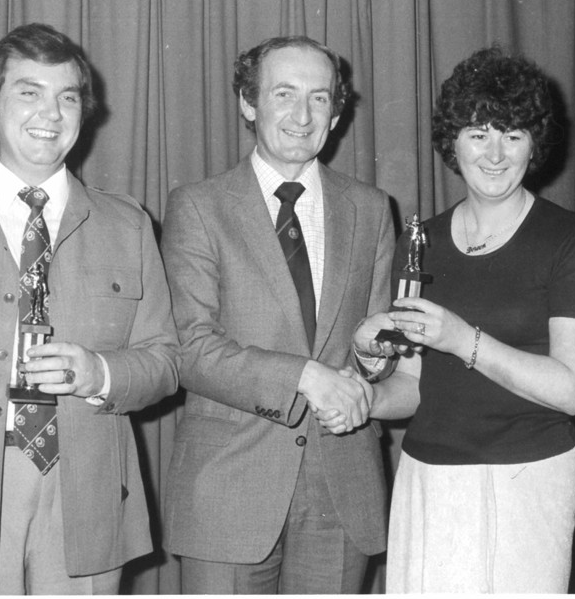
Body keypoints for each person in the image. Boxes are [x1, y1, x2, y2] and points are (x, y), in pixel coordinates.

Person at [0, 23, 180, 595]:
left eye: (67, 97)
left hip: (86, 492)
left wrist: (98, 372)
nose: (50, 114)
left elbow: (167, 360)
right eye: (28, 93)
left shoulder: (128, 225)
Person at [161, 35, 408, 593]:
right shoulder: (198, 207)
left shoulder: (370, 208)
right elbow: (190, 348)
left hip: (341, 487)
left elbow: (379, 349)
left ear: (336, 112)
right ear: (249, 104)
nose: (302, 115)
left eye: (319, 98)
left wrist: (373, 361)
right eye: (284, 94)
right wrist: (304, 377)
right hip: (227, 491)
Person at [357, 47, 575, 592]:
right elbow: (413, 387)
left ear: (533, 144)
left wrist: (460, 338)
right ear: (453, 142)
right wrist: (364, 382)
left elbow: (573, 391)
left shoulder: (571, 241)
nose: (495, 154)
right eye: (479, 133)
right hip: (427, 478)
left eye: (513, 135)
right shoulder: (420, 243)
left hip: (524, 478)